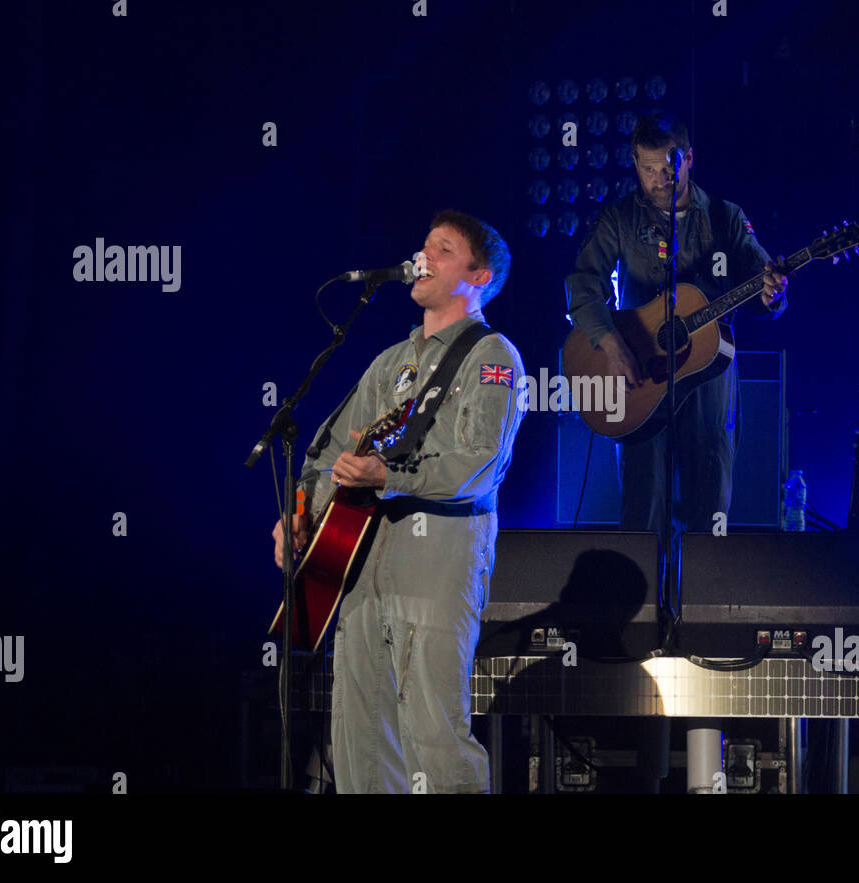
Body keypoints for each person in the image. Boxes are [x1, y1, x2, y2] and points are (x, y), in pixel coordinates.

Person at [272, 210, 524, 793]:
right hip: (359, 571)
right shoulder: (391, 361)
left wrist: (388, 472)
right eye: (424, 244)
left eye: (443, 247)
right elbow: (328, 450)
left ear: (479, 275)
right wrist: (300, 512)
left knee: (435, 738)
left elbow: (480, 464)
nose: (423, 254)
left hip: (435, 567)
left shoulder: (493, 357)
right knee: (359, 742)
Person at [565, 111, 789, 532]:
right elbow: (582, 284)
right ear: (635, 163)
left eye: (668, 166)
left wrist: (771, 294)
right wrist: (612, 347)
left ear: (688, 158)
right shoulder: (619, 218)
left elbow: (761, 291)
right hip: (640, 375)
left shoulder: (726, 217)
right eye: (648, 169)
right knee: (642, 511)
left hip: (708, 378)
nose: (658, 178)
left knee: (710, 509)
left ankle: (704, 595)